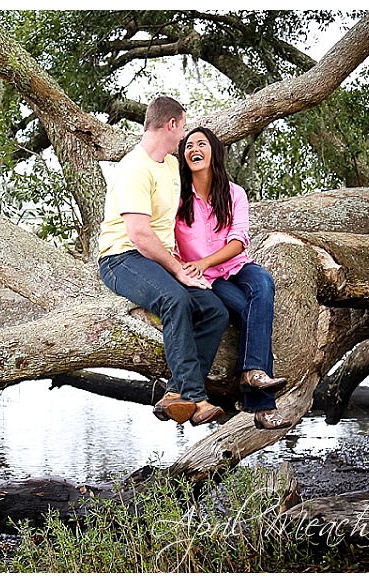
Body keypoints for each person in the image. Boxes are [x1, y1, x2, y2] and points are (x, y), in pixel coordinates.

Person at [98, 96, 229, 427]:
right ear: (171, 125)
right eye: (183, 127)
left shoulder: (171, 165)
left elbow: (201, 193)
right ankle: (196, 398)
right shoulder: (133, 168)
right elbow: (139, 235)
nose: (184, 136)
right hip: (121, 258)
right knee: (175, 298)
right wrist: (178, 271)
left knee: (215, 310)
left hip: (159, 259)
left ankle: (175, 393)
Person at [174, 126, 292, 430]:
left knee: (263, 283)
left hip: (236, 265)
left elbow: (239, 241)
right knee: (247, 312)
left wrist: (204, 261)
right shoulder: (177, 197)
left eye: (201, 143)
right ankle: (261, 405)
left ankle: (251, 371)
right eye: (188, 146)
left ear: (214, 151)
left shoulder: (234, 193)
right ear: (184, 156)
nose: (193, 149)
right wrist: (186, 266)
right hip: (209, 281)